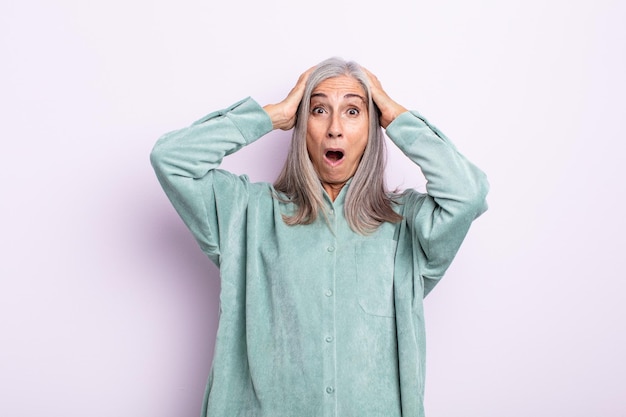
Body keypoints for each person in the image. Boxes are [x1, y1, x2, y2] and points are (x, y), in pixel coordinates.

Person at [150, 57, 488, 417]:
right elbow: (171, 159)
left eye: (354, 112)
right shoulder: (245, 212)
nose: (335, 128)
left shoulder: (406, 223)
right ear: (301, 123)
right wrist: (271, 115)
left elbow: (467, 193)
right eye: (319, 110)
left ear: (373, 129)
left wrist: (396, 117)